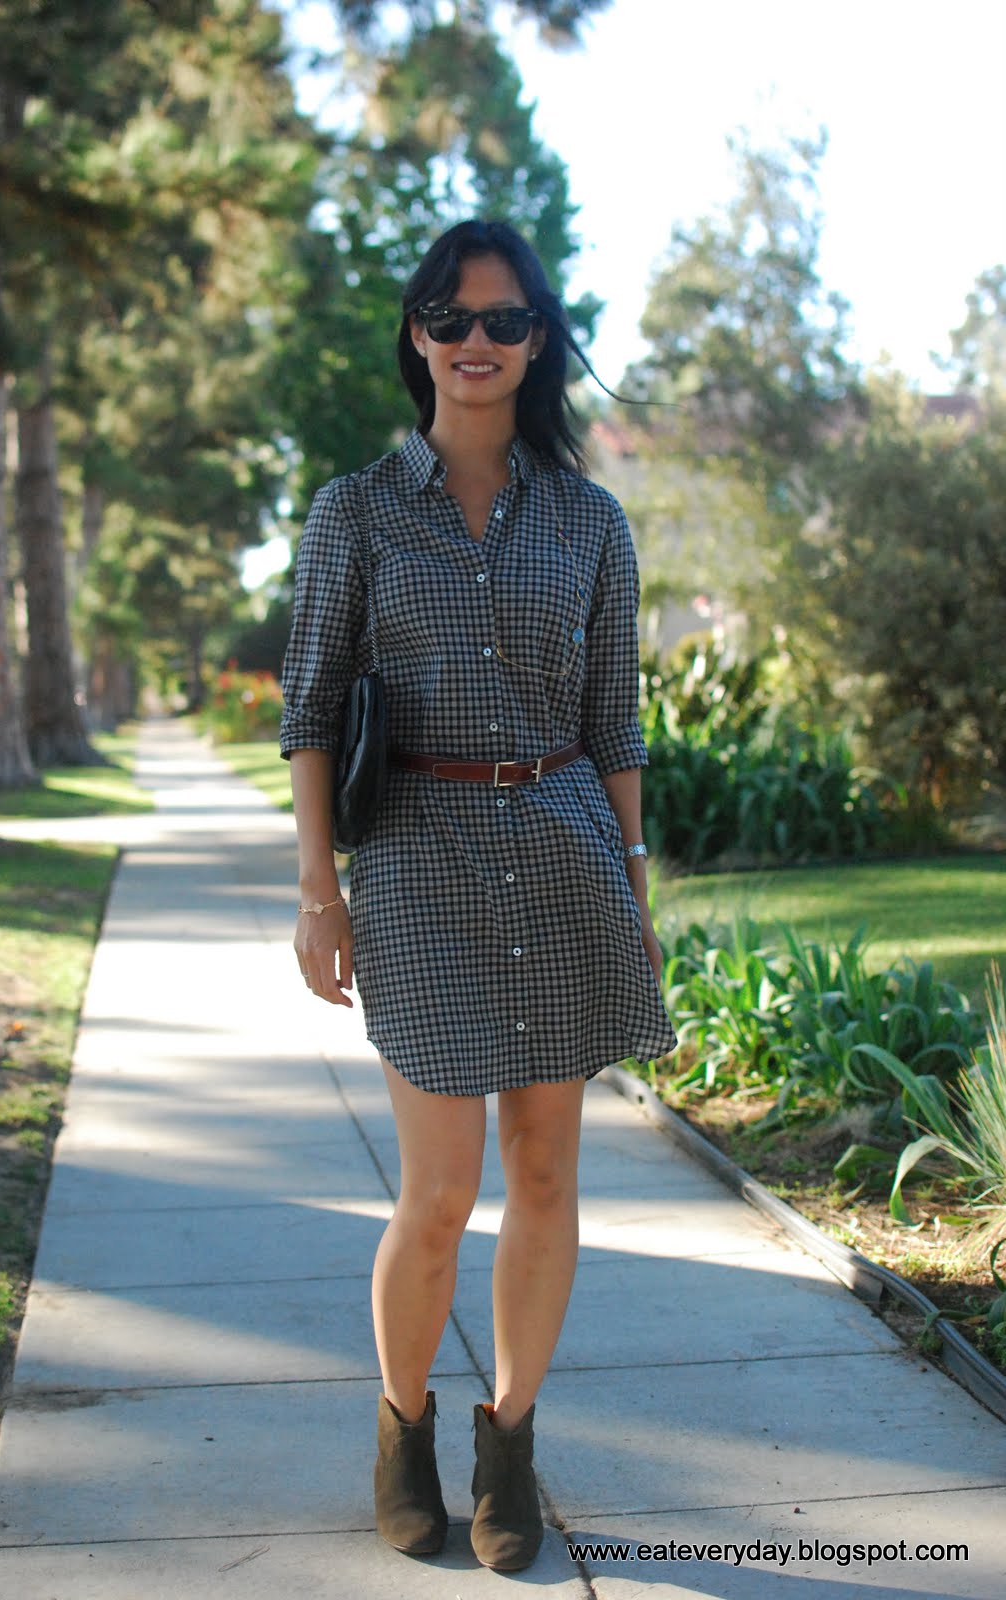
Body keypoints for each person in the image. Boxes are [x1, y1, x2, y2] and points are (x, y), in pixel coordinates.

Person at [279, 218, 676, 1572]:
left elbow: (616, 722)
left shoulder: (591, 520)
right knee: (439, 1191)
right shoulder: (357, 512)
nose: (477, 343)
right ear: (417, 336)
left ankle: (510, 1439)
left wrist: (632, 880)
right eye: (451, 318)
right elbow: (312, 709)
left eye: (505, 321)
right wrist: (318, 893)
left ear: (541, 339)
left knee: (549, 1167)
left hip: (563, 851)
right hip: (418, 860)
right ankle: (403, 1429)